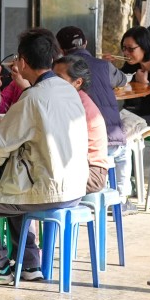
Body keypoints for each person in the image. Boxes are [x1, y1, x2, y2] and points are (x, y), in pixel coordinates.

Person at [0, 28, 89, 285]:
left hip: (49, 190)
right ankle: (29, 264)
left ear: (22, 61)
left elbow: (2, 144)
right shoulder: (68, 91)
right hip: (75, 186)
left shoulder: (32, 98)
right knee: (10, 194)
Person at [56, 26, 133, 206]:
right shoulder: (104, 66)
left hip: (90, 150)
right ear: (85, 43)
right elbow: (122, 79)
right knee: (127, 146)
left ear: (60, 49)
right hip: (115, 141)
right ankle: (122, 199)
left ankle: (107, 200)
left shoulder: (62, 71)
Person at [53, 55, 110, 194]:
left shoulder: (78, 106)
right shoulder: (69, 99)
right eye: (51, 76)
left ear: (78, 82)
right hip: (75, 166)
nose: (52, 82)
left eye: (59, 78)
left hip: (92, 172)